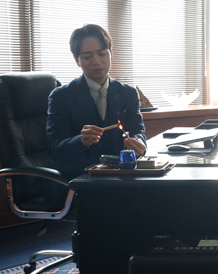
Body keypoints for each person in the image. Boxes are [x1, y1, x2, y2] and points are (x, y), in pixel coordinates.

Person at [47, 24, 147, 177]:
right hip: (82, 178)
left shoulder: (128, 93)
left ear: (111, 54)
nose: (96, 61)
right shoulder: (61, 96)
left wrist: (139, 142)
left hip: (123, 176)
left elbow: (138, 131)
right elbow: (54, 148)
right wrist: (81, 141)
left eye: (102, 53)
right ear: (77, 60)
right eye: (87, 57)